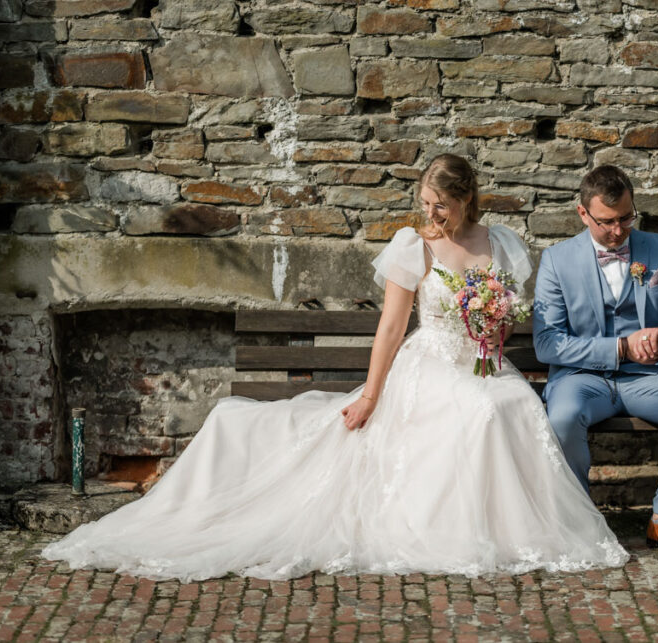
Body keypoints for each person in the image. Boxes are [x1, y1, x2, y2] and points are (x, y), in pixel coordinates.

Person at [42, 154, 627, 581]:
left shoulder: (497, 242)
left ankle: (513, 529)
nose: (431, 214)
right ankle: (458, 530)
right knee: (479, 411)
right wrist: (371, 395)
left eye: (442, 205)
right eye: (425, 203)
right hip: (429, 364)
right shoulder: (415, 245)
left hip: (481, 361)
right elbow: (392, 328)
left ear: (467, 200)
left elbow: (504, 319)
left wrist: (492, 326)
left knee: (514, 402)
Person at [533, 165, 658, 552]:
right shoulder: (557, 260)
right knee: (562, 417)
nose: (618, 230)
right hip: (582, 378)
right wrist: (620, 348)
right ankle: (580, 521)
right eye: (607, 222)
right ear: (583, 214)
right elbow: (547, 343)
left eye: (626, 218)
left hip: (652, 377)